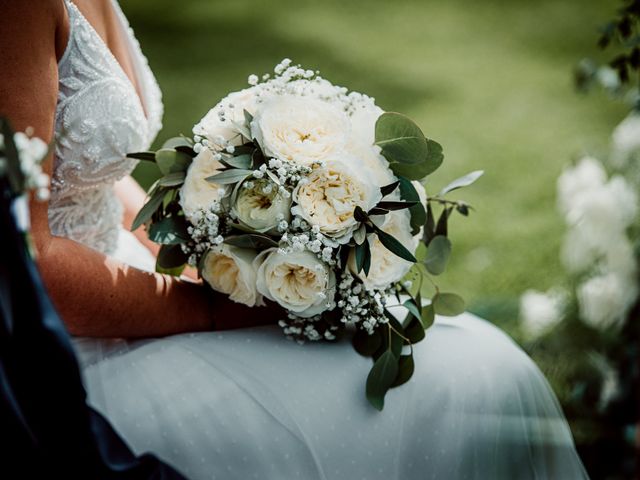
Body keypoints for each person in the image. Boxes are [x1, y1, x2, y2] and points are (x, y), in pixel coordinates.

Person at [0, 1, 589, 478]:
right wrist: (213, 309)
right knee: (463, 376)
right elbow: (33, 261)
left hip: (126, 282)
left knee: (468, 355)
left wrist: (208, 260)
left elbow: (86, 175)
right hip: (60, 353)